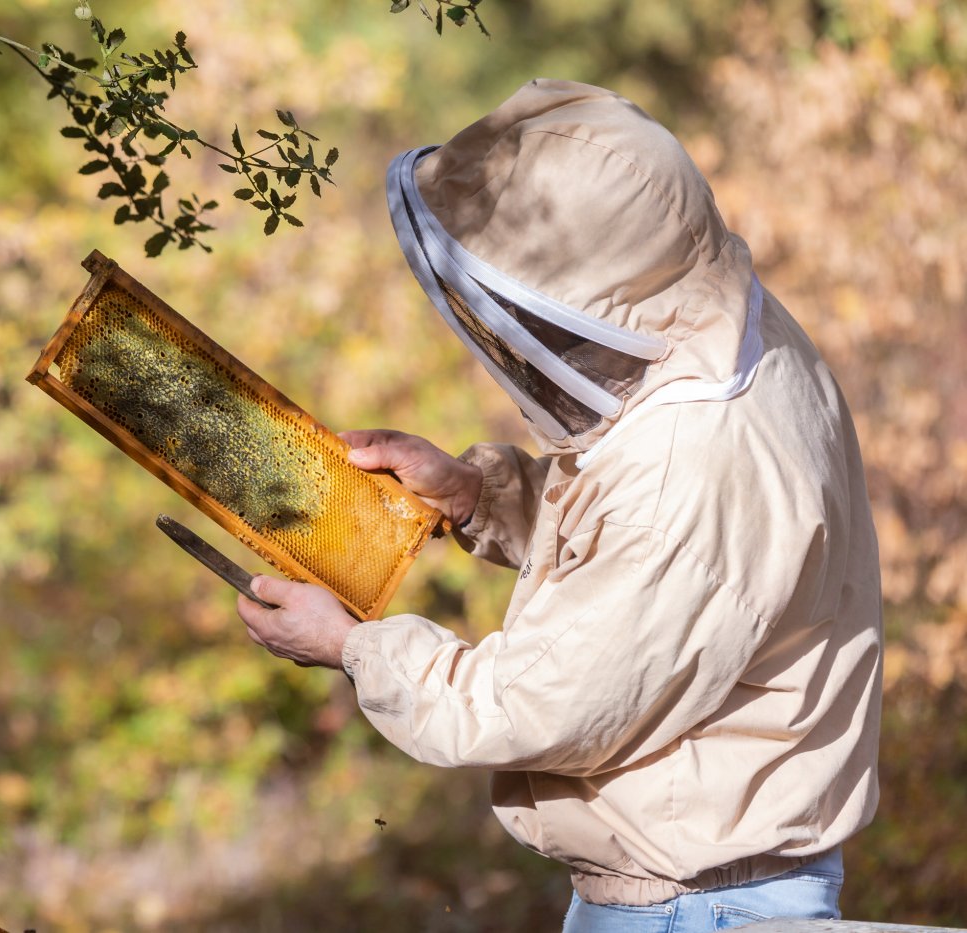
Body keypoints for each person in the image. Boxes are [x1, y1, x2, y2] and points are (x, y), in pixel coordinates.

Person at [235, 79, 882, 932]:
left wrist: (352, 646)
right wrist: (476, 496)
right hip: (703, 887)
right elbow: (663, 566)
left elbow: (541, 701)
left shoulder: (696, 461)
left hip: (700, 908)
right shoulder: (729, 331)